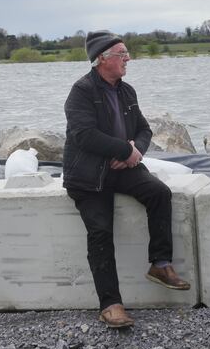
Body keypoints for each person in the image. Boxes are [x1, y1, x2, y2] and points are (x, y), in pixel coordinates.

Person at [62, 30, 190, 329]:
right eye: (122, 53)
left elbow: (144, 130)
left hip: (123, 169)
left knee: (159, 193)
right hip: (88, 177)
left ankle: (160, 265)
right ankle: (111, 305)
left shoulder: (126, 91)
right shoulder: (81, 91)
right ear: (102, 59)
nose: (127, 58)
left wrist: (136, 152)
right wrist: (125, 149)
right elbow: (84, 135)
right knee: (101, 233)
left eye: (126, 53)